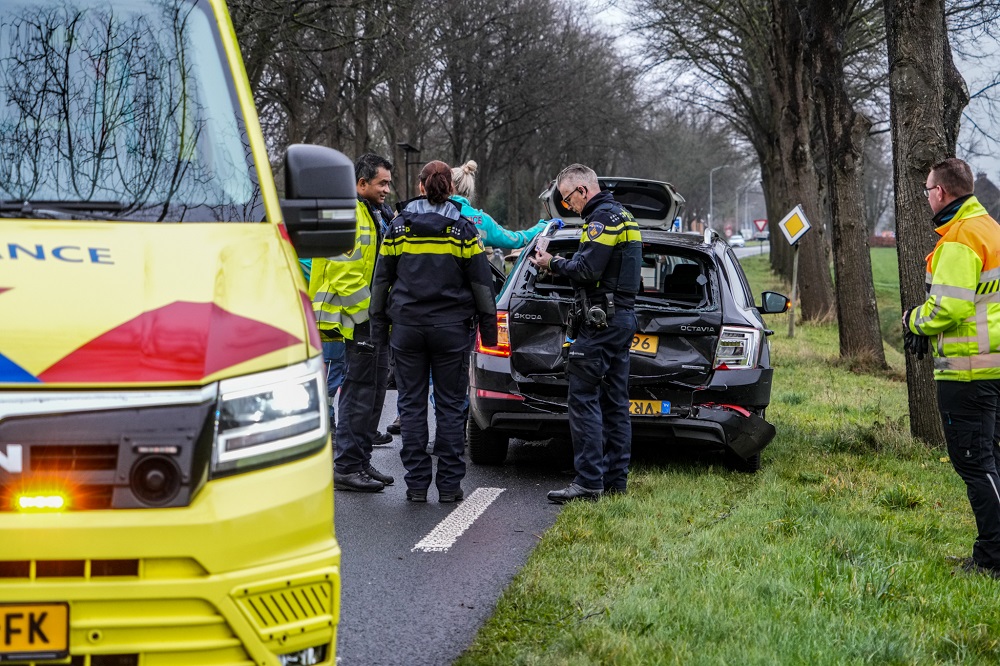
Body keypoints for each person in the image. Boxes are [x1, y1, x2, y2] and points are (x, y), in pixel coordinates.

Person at [370, 160, 498, 503]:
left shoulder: (398, 228)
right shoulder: (464, 229)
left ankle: (415, 486)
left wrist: (379, 329)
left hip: (408, 330)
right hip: (452, 332)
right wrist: (489, 333)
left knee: (411, 406)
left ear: (420, 186)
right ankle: (449, 486)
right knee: (451, 407)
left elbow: (381, 282)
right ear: (451, 189)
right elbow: (482, 286)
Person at [904, 157, 1000, 578]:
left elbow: (950, 306)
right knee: (992, 461)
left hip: (968, 371)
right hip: (993, 366)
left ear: (940, 192)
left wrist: (912, 320)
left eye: (928, 189)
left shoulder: (960, 238)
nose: (927, 196)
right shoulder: (991, 228)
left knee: (974, 464)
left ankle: (993, 559)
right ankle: (990, 552)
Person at [531, 163, 641, 503]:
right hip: (621, 319)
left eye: (568, 199)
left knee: (582, 399)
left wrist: (551, 262)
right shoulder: (626, 216)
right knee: (615, 403)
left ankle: (589, 482)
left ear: (583, 190)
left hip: (601, 323)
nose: (568, 207)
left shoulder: (602, 219)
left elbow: (587, 269)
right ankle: (615, 482)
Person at [311, 153, 395, 492]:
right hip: (356, 322)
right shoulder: (344, 214)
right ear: (362, 184)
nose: (387, 189)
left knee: (374, 396)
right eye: (382, 183)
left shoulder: (371, 213)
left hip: (372, 321)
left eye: (388, 182)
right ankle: (346, 466)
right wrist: (369, 319)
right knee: (359, 395)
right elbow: (345, 278)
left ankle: (360, 461)